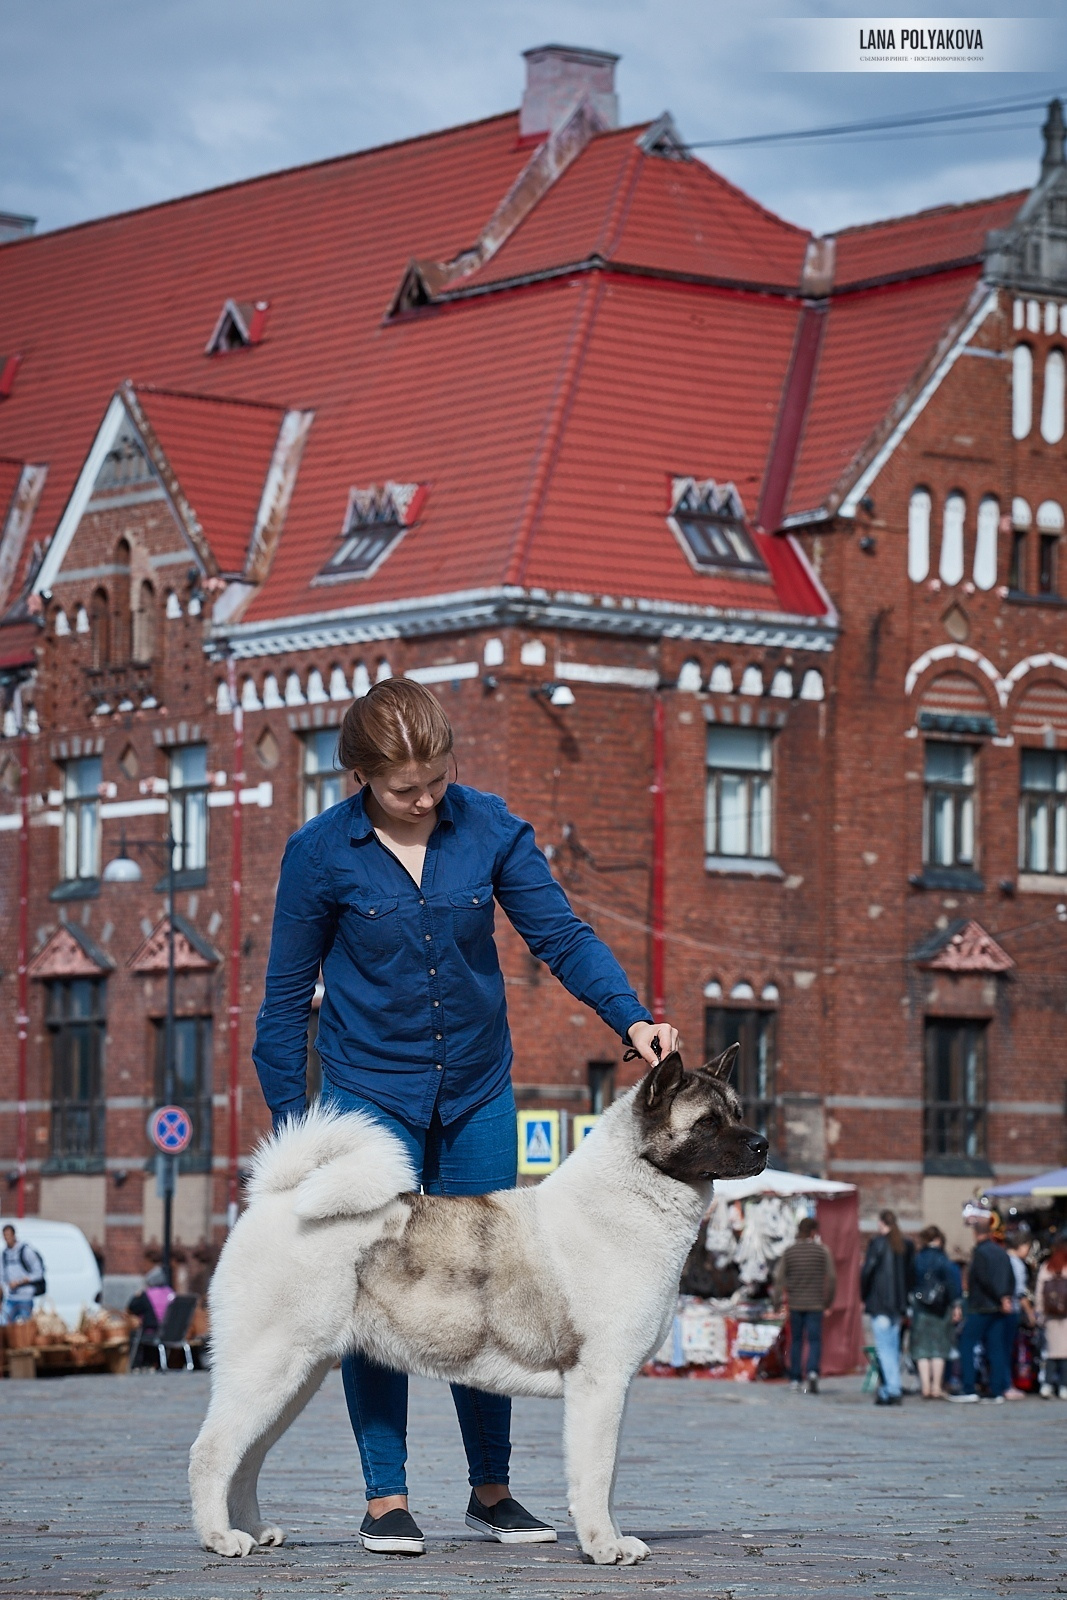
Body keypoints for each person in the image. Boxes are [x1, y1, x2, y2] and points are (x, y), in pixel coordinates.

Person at [252, 678, 679, 1557]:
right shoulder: (319, 852)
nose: (424, 798)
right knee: (379, 1288)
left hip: (478, 1089)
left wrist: (630, 1017)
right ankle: (386, 1497)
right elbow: (285, 999)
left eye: (436, 779)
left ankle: (492, 1491)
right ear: (361, 775)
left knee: (495, 1283)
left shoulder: (487, 826)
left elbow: (558, 936)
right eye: (404, 786)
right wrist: (296, 1140)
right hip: (368, 1097)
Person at [947, 1212, 1015, 1403]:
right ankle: (996, 1390)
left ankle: (969, 1387)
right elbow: (1010, 1278)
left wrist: (1000, 1297)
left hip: (982, 1306)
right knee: (996, 1348)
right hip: (998, 1308)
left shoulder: (980, 1253)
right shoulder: (1001, 1252)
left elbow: (984, 1280)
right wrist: (1006, 1297)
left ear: (976, 1233)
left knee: (966, 1343)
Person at [773, 1216, 837, 1394]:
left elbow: (779, 1279)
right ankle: (812, 1371)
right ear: (813, 1232)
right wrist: (828, 1302)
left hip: (795, 1304)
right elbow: (831, 1278)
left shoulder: (789, 1251)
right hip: (816, 1304)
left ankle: (795, 1378)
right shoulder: (822, 1251)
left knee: (797, 1341)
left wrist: (776, 1301)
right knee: (815, 1340)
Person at [860, 1209, 912, 1406]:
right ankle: (892, 1386)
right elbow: (910, 1276)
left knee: (885, 1349)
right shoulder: (905, 1245)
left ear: (882, 1223)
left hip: (880, 1302)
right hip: (898, 1304)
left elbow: (867, 1272)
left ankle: (892, 1388)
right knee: (894, 1348)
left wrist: (864, 1295)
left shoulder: (879, 1244)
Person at [909, 1225, 961, 1400]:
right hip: (941, 1308)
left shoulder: (917, 1259)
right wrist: (956, 1305)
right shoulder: (944, 1260)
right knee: (939, 1348)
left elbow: (909, 1282)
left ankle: (925, 1386)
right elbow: (953, 1284)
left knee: (922, 1349)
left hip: (920, 1307)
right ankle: (936, 1386)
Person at [1001, 1225, 1034, 1401]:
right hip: (1011, 1309)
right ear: (1021, 1245)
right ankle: (1008, 1384)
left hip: (999, 1309)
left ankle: (1002, 1383)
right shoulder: (1017, 1265)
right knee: (1008, 1349)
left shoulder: (1002, 1258)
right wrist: (1030, 1313)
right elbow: (1020, 1293)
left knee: (1000, 1348)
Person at [1035, 1235, 1067, 1398]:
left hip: (1050, 1316)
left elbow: (1040, 1293)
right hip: (1065, 1317)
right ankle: (1064, 1386)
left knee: (1051, 1353)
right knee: (1065, 1354)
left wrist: (1039, 1313)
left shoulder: (1047, 1267)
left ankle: (1047, 1385)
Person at [1, 1223, 45, 1324]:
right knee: (4, 1323)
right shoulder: (4, 1254)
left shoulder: (25, 1251)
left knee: (25, 1326)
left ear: (14, 1235)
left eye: (9, 1235)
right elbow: (2, 1276)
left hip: (25, 1296)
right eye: (5, 1236)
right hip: (11, 1297)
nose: (7, 1238)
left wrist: (22, 1281)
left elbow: (38, 1272)